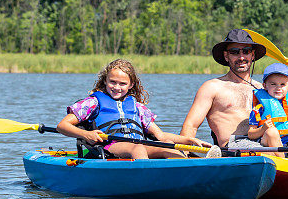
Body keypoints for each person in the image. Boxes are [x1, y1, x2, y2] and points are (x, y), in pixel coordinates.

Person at [57, 58, 210, 159]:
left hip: (140, 146)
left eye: (122, 84)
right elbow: (62, 126)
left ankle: (184, 179)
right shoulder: (92, 103)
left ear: (131, 85)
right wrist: (86, 134)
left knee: (170, 147)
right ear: (105, 81)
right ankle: (150, 183)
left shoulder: (137, 107)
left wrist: (189, 140)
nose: (117, 87)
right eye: (112, 82)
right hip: (112, 146)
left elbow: (160, 135)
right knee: (137, 149)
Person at [180, 29, 279, 151]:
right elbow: (191, 126)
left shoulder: (263, 89)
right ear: (226, 56)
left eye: (246, 51)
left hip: (266, 142)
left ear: (252, 55)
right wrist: (183, 155)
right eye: (235, 52)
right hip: (233, 148)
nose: (241, 57)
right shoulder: (212, 87)